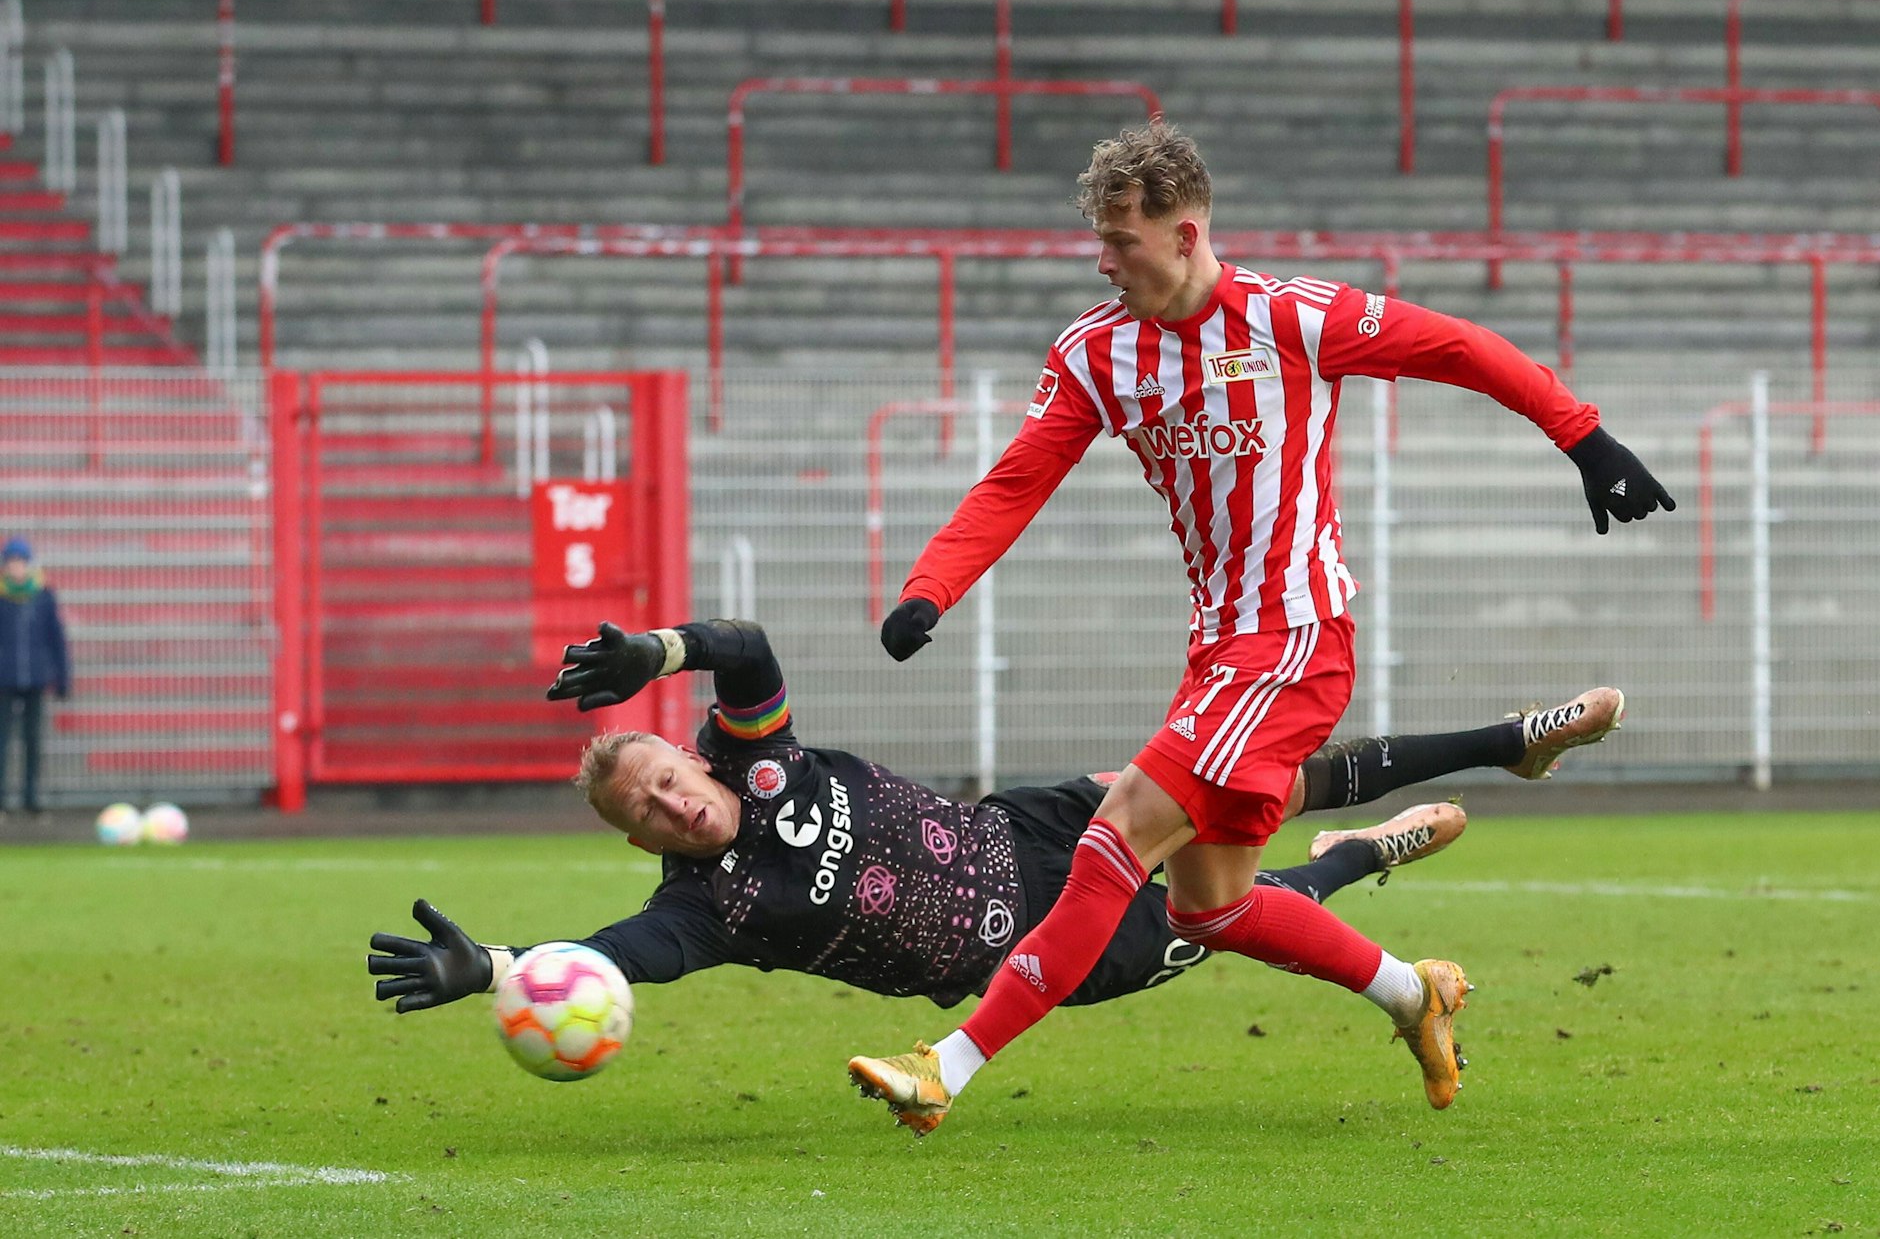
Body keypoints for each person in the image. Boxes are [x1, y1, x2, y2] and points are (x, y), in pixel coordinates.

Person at [848, 119, 1672, 1133]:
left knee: (1116, 835)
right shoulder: (1096, 351)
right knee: (1209, 905)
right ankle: (1411, 991)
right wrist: (930, 589)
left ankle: (946, 1064)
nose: (1105, 263)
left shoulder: (1292, 318)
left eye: (1122, 242)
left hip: (1295, 640)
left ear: (1186, 234)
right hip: (1219, 652)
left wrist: (1583, 436)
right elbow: (1017, 480)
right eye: (1100, 242)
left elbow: (1456, 346)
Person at [366, 619, 1624, 1051]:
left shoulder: (757, 752)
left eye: (660, 775)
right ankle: (1366, 857)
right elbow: (613, 957)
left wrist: (657, 649)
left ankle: (1506, 738)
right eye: (640, 809)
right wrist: (496, 968)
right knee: (1242, 908)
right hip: (1043, 948)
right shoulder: (707, 907)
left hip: (1034, 821)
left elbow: (743, 651)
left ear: (688, 756)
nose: (666, 801)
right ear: (638, 836)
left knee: (1262, 776)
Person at [0, 536, 70, 822]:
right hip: (4, 680)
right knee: (2, 741)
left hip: (36, 679)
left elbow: (56, 638)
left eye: (21, 561)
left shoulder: (43, 596)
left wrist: (62, 676)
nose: (16, 567)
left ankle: (31, 799)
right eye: (11, 562)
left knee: (33, 741)